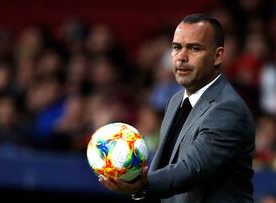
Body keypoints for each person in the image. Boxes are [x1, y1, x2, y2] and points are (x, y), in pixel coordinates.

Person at [99, 13, 256, 203]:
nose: (181, 57)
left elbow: (192, 169)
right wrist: (139, 187)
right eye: (176, 47)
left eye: (194, 48)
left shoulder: (227, 109)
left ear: (218, 56)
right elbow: (164, 168)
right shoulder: (175, 101)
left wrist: (142, 183)